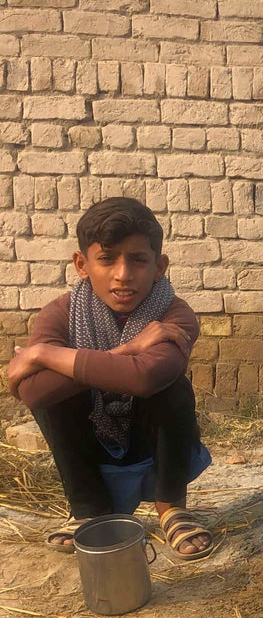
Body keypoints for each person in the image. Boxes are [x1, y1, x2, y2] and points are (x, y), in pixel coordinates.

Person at [6, 197, 213, 560]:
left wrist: (43, 356)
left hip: (151, 442)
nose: (123, 274)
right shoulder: (61, 315)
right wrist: (129, 349)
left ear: (159, 266)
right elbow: (34, 393)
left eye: (138, 259)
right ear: (81, 265)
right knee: (55, 398)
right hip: (92, 441)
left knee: (173, 387)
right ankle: (91, 510)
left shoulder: (173, 315)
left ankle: (171, 506)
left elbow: (146, 377)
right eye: (107, 259)